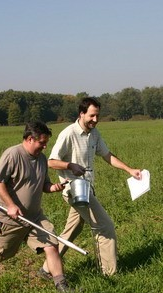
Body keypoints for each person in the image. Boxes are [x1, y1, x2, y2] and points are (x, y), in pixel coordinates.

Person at [39, 97, 142, 277]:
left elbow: (107, 155)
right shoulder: (68, 133)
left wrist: (129, 170)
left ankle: (47, 268)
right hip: (73, 190)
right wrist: (70, 166)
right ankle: (109, 274)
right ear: (81, 114)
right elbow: (51, 161)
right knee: (105, 226)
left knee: (72, 229)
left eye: (97, 116)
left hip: (87, 189)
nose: (95, 120)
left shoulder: (94, 134)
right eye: (92, 116)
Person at [0, 121, 73, 293]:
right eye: (42, 143)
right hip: (9, 219)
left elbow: (44, 184)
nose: (45, 146)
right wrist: (11, 205)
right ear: (30, 139)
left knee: (51, 244)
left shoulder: (42, 159)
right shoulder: (13, 154)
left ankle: (62, 286)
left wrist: (54, 187)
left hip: (35, 217)